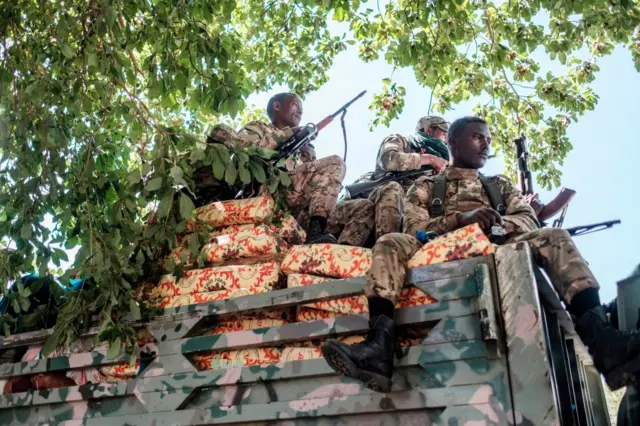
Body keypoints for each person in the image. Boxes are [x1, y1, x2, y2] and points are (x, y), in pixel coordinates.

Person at [322, 116, 640, 393]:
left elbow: (526, 218)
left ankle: (603, 343)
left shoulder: (497, 184)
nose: (485, 145)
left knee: (554, 236)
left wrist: (495, 223)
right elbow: (415, 224)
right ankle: (379, 346)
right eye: (477, 138)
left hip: (493, 244)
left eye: (488, 140)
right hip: (439, 245)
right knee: (391, 240)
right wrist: (460, 219)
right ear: (453, 144)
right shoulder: (428, 184)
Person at [235, 93, 346, 244]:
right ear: (277, 106)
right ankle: (316, 233)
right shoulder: (258, 128)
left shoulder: (303, 149)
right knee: (335, 162)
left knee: (361, 208)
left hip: (297, 209)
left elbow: (317, 184)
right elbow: (246, 153)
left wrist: (306, 150)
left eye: (302, 109)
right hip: (266, 191)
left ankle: (340, 256)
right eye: (295, 105)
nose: (300, 111)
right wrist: (292, 134)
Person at [328, 116, 450, 247]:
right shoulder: (402, 141)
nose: (446, 141)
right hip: (377, 205)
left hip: (411, 215)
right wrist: (429, 159)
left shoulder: (446, 163)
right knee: (393, 189)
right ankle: (387, 251)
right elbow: (389, 159)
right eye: (444, 134)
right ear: (428, 130)